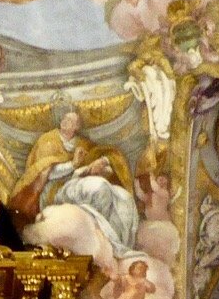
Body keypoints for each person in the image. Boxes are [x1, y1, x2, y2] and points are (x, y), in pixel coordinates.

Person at [10, 106, 140, 259]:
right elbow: (45, 172)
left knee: (123, 197)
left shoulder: (83, 144)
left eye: (72, 121)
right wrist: (73, 164)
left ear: (78, 126)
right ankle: (103, 234)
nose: (66, 122)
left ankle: (116, 240)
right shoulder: (48, 141)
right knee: (99, 187)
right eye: (65, 119)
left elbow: (100, 158)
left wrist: (98, 163)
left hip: (77, 182)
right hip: (54, 189)